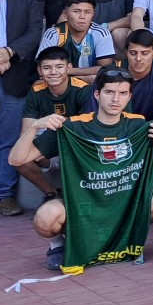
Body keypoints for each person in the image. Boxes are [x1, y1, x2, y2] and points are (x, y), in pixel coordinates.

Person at [8, 66, 153, 270]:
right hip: (83, 204)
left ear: (129, 96)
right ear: (97, 94)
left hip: (122, 203)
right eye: (109, 92)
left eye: (123, 93)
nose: (116, 99)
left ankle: (126, 239)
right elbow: (17, 160)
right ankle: (58, 246)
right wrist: (34, 127)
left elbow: (151, 173)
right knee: (45, 217)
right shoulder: (73, 127)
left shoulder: (138, 126)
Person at [14, 47, 93, 201]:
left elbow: (87, 129)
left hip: (75, 144)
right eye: (47, 68)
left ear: (68, 68)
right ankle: (52, 194)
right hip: (50, 141)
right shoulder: (36, 91)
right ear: (39, 71)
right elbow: (26, 130)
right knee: (20, 157)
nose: (53, 72)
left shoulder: (83, 90)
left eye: (59, 67)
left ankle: (76, 198)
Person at [37, 0, 114, 79]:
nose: (82, 16)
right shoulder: (53, 33)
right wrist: (83, 78)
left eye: (87, 12)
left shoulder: (101, 33)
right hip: (60, 84)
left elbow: (105, 69)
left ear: (93, 14)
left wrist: (70, 71)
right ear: (65, 14)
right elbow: (43, 71)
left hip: (91, 83)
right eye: (76, 11)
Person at [115, 29, 153, 121]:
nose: (138, 58)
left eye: (145, 53)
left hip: (150, 128)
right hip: (119, 128)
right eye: (133, 53)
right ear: (126, 53)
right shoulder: (112, 71)